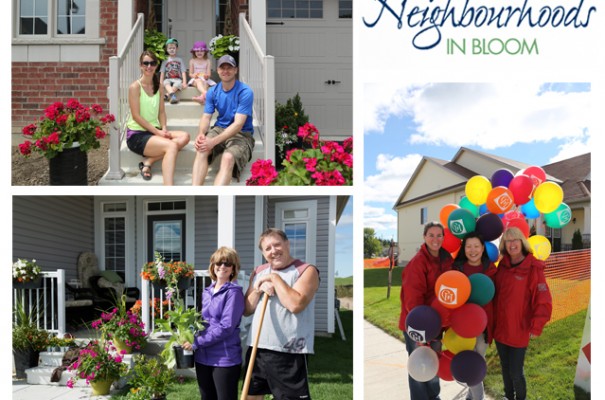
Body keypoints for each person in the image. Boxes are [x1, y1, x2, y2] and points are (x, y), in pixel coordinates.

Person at [243, 228, 320, 400]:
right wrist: (258, 289)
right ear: (263, 253)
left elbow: (295, 305)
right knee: (251, 397)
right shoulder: (258, 271)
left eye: (277, 245)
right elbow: (247, 310)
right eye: (267, 248)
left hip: (288, 350)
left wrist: (275, 278)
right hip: (257, 347)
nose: (273, 251)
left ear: (287, 243)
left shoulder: (306, 270)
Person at [493, 227, 552, 400]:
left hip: (519, 328)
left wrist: (537, 325)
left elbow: (543, 300)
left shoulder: (533, 267)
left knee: (516, 371)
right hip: (501, 329)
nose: (512, 244)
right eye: (508, 241)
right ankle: (508, 396)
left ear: (522, 242)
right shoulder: (502, 266)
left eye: (515, 240)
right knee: (505, 367)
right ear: (504, 244)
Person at [399, 221, 453, 400]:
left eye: (439, 235)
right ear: (424, 237)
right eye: (431, 235)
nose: (435, 239)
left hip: (437, 324)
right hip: (418, 324)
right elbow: (413, 300)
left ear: (444, 238)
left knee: (432, 361)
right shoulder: (418, 262)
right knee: (418, 365)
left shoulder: (446, 259)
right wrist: (421, 333)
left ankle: (434, 396)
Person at [182, 247, 245, 400]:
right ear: (213, 265)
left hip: (224, 358)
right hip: (203, 356)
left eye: (227, 263)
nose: (222, 266)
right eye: (219, 262)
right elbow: (202, 320)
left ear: (233, 269)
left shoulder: (233, 293)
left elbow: (226, 327)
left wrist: (197, 343)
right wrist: (188, 334)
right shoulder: (206, 291)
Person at [126, 51, 190, 185]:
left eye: (152, 63)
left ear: (156, 66)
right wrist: (158, 133)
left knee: (185, 137)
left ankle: (148, 161)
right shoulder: (135, 87)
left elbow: (161, 112)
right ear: (140, 65)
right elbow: (136, 116)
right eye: (146, 63)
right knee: (172, 146)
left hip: (154, 131)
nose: (149, 66)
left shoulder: (160, 87)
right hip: (137, 135)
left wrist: (164, 129)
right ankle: (168, 187)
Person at [191, 55, 255, 186]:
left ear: (236, 70)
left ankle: (218, 200)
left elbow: (238, 124)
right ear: (218, 71)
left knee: (227, 158)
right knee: (202, 148)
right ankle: (195, 190)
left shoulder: (245, 91)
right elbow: (206, 117)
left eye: (229, 68)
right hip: (220, 128)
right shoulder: (212, 91)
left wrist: (213, 142)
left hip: (242, 134)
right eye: (222, 68)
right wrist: (202, 134)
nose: (225, 71)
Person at [452, 232, 497, 400]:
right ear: (464, 248)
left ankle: (474, 397)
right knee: (469, 365)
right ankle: (476, 397)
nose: (472, 250)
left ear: (483, 248)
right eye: (468, 246)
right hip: (461, 326)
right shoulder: (456, 268)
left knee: (477, 364)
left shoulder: (491, 269)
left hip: (482, 327)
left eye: (476, 246)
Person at [160, 38, 187, 104]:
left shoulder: (180, 60)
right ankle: (173, 96)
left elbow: (183, 71)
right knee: (166, 83)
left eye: (173, 48)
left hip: (177, 79)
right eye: (170, 48)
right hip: (168, 78)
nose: (172, 49)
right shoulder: (165, 60)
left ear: (177, 49)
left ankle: (167, 95)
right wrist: (161, 83)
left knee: (177, 84)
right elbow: (162, 72)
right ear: (167, 49)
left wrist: (184, 82)